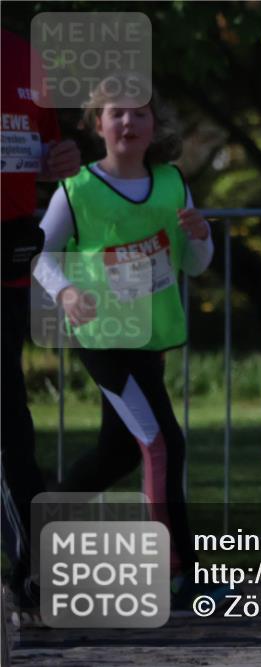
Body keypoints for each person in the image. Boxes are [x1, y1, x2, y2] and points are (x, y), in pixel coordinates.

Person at [32, 74, 218, 609]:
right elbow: (44, 253)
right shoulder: (79, 189)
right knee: (163, 443)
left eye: (140, 112)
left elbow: (197, 264)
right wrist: (66, 293)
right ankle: (178, 571)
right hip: (102, 339)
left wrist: (201, 237)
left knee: (117, 453)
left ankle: (41, 517)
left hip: (150, 339)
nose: (129, 122)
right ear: (97, 125)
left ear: (154, 125)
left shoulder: (171, 182)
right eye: (117, 112)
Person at [1, 27, 81, 625]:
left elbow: (53, 155)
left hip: (7, 270)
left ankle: (31, 574)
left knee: (9, 422)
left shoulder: (27, 57)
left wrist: (64, 160)